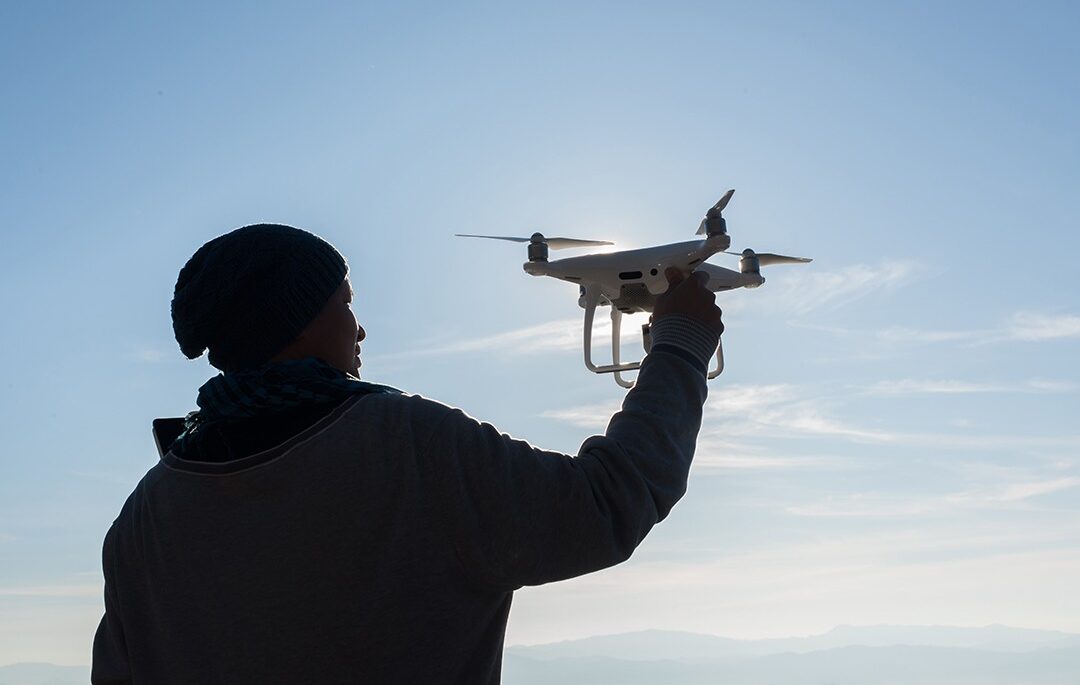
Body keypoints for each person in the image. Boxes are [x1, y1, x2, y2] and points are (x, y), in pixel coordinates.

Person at [91, 223, 723, 684]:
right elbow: (607, 503)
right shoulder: (406, 449)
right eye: (345, 304)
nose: (359, 328)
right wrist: (681, 341)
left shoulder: (145, 519)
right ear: (299, 323)